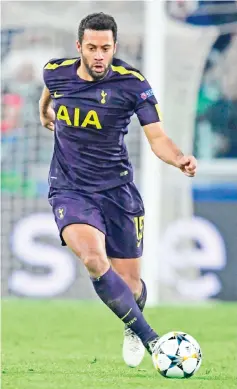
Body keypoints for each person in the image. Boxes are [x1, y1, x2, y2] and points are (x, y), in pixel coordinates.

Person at [39, 12, 197, 368]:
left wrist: (179, 159)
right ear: (79, 46)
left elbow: (157, 138)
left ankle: (131, 322)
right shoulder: (55, 70)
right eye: (92, 47)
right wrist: (44, 111)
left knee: (132, 285)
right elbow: (49, 89)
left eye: (105, 48)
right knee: (94, 259)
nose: (98, 55)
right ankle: (155, 342)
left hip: (117, 191)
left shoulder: (132, 84)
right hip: (70, 188)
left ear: (115, 48)